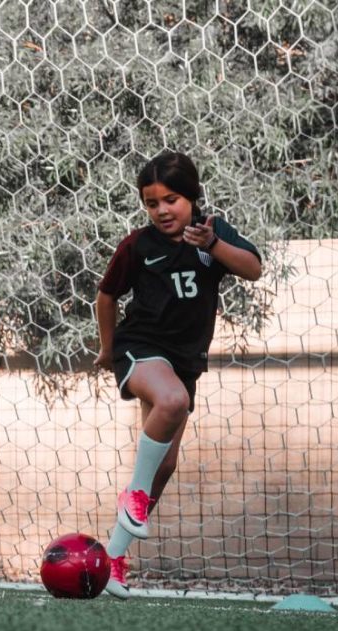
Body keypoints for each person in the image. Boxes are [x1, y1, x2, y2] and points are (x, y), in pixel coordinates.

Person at [94, 151, 262, 599]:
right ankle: (132, 497)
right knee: (171, 402)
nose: (162, 210)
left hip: (184, 360)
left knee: (165, 464)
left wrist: (210, 245)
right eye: (152, 203)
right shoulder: (137, 246)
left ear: (192, 197)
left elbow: (253, 269)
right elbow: (106, 295)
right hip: (142, 348)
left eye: (171, 199)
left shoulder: (211, 233)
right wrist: (109, 348)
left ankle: (113, 560)